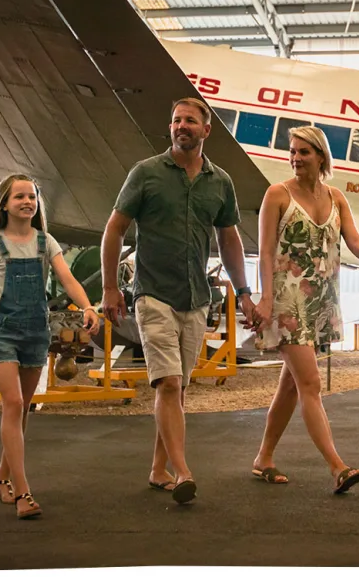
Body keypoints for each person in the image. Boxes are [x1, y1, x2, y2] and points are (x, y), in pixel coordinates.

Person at [101, 98, 257, 505]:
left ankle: (157, 469)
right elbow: (114, 230)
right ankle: (183, 471)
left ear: (207, 130)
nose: (180, 126)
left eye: (189, 120)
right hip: (153, 293)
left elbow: (229, 240)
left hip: (196, 297)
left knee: (177, 388)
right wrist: (110, 288)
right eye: (174, 120)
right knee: (169, 383)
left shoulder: (219, 182)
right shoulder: (146, 174)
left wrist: (244, 293)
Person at [248, 125, 359, 495]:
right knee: (310, 383)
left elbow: (351, 237)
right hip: (288, 301)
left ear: (321, 156)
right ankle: (337, 467)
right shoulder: (277, 194)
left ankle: (263, 459)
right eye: (292, 151)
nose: (295, 158)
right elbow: (267, 252)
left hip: (322, 299)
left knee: (290, 386)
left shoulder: (336, 197)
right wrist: (266, 299)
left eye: (304, 152)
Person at [0, 174, 101, 520]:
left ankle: (2, 477)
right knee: (12, 402)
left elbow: (67, 278)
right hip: (1, 331)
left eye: (32, 197)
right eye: (19, 197)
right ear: (4, 204)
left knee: (22, 408)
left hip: (35, 332)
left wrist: (87, 306)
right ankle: (23, 490)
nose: (27, 202)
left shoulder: (46, 242)